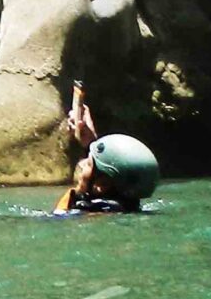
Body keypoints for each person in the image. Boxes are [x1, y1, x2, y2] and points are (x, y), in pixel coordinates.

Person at [53, 82, 160, 213]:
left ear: (102, 186)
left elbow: (57, 219)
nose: (82, 164)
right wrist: (91, 144)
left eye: (88, 163)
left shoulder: (87, 214)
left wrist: (77, 195)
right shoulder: (124, 208)